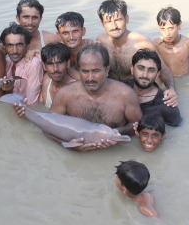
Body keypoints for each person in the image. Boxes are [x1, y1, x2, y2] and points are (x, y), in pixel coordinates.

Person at [14, 44, 143, 152]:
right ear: (79, 70)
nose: (90, 77)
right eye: (85, 71)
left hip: (115, 152)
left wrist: (116, 134)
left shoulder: (126, 95)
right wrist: (68, 145)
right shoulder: (66, 94)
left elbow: (138, 126)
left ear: (107, 70)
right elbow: (48, 127)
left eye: (96, 71)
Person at [95, 0, 178, 107]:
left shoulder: (142, 43)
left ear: (127, 19)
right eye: (108, 21)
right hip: (112, 95)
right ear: (102, 23)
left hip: (137, 97)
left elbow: (163, 70)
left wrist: (171, 89)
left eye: (118, 19)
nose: (114, 26)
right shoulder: (100, 42)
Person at [124, 49, 182, 126]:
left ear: (158, 74)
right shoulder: (119, 89)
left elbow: (177, 132)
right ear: (132, 70)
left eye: (151, 70)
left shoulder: (166, 105)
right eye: (141, 68)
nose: (145, 75)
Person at [0, 22, 43, 105]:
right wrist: (8, 90)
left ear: (28, 46)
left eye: (19, 45)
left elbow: (31, 103)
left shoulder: (33, 64)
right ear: (4, 47)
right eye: (10, 45)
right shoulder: (6, 60)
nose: (15, 50)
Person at [153, 6, 189, 76]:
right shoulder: (155, 45)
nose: (167, 33)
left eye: (171, 28)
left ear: (179, 25)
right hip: (164, 81)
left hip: (183, 80)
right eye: (162, 29)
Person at [39, 43, 76, 108]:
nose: (55, 69)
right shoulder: (46, 81)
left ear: (67, 63)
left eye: (60, 63)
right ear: (44, 66)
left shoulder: (76, 90)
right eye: (50, 64)